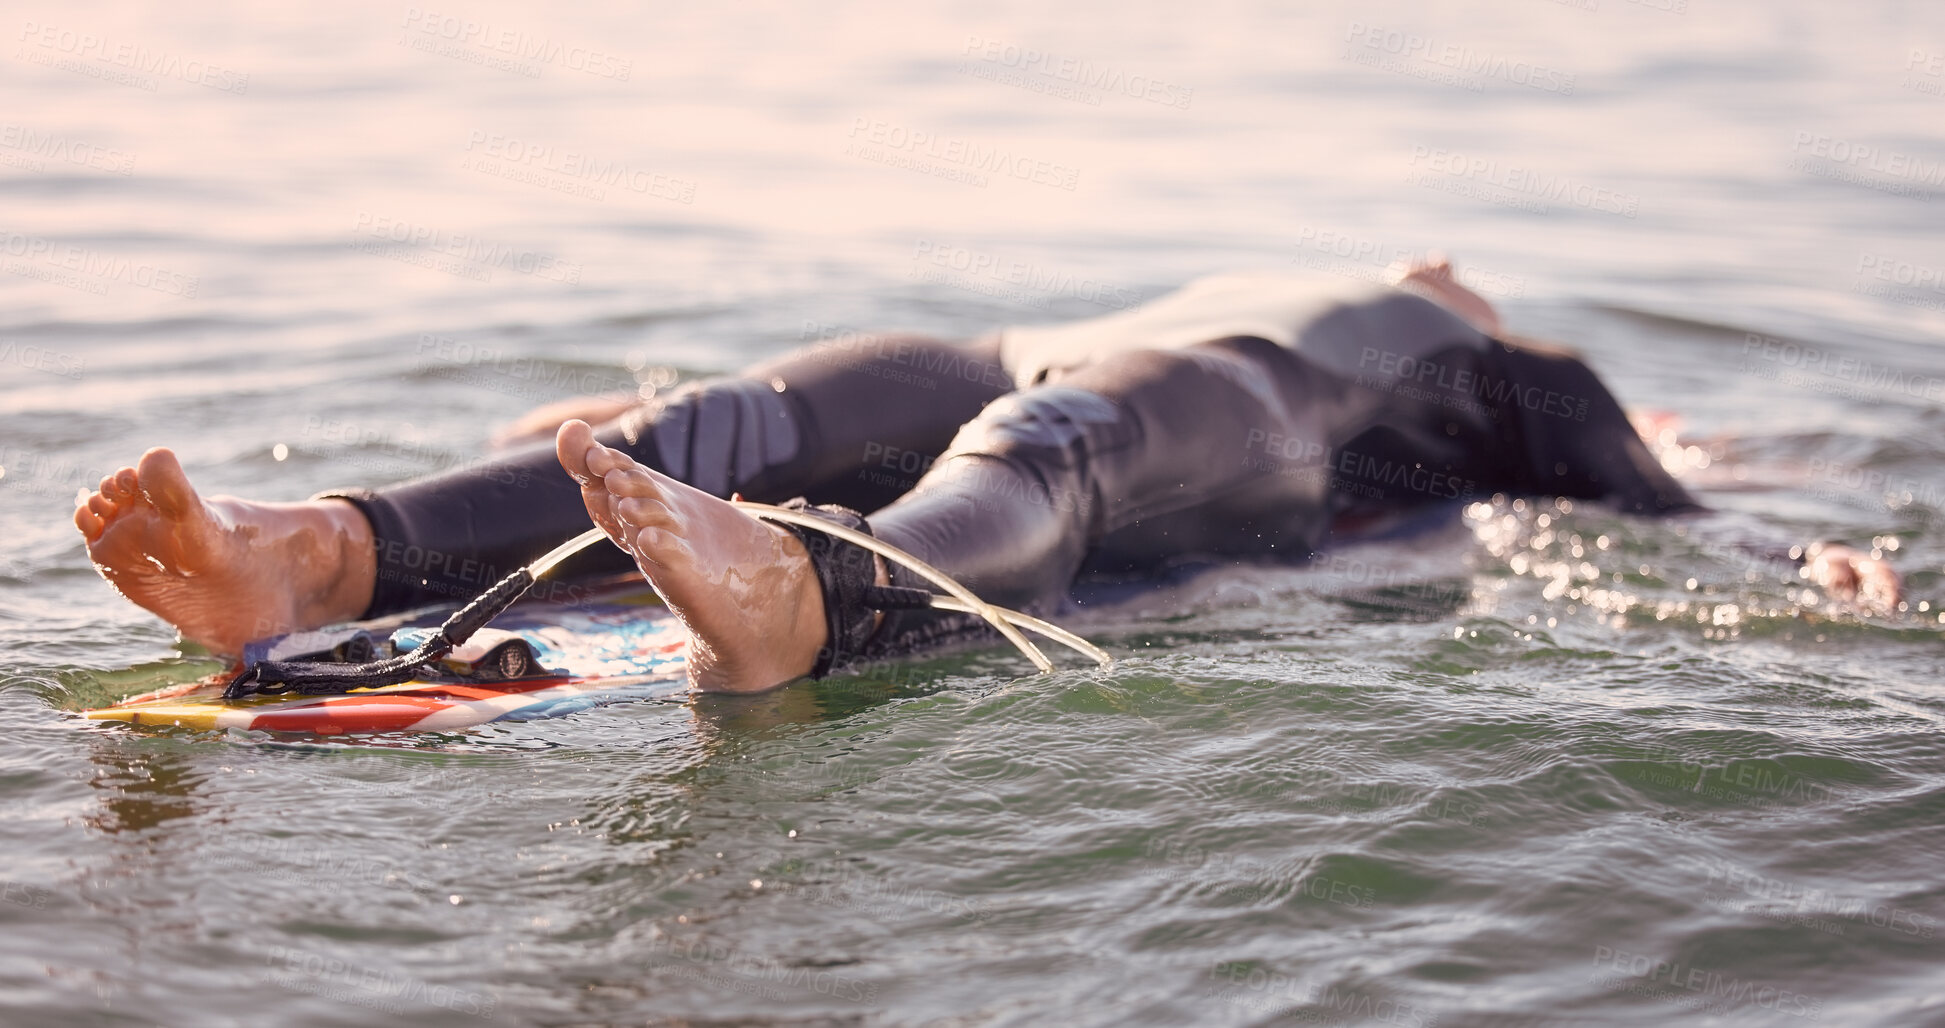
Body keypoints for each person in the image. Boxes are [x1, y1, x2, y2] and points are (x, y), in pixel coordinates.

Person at [74, 258, 1902, 693]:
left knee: (1031, 447)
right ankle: (318, 553)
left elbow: (1673, 516)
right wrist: (1791, 543)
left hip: (1122, 381)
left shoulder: (1526, 380)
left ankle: (807, 590)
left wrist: (1770, 539)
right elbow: (1688, 526)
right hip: (1077, 362)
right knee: (736, 430)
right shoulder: (1495, 362)